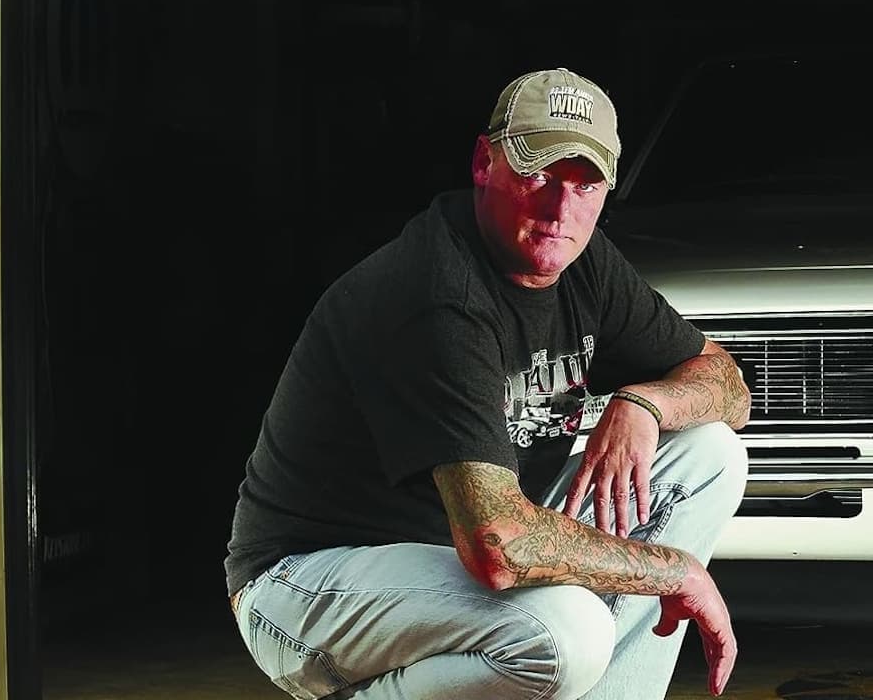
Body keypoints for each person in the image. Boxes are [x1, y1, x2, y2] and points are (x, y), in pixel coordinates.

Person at [224, 67, 752, 700]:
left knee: (709, 453)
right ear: (484, 162)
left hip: (451, 560)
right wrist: (675, 572)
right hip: (306, 585)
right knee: (565, 634)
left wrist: (645, 402)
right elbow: (498, 546)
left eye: (585, 184)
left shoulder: (583, 264)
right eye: (539, 174)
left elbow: (728, 385)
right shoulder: (437, 294)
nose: (561, 209)